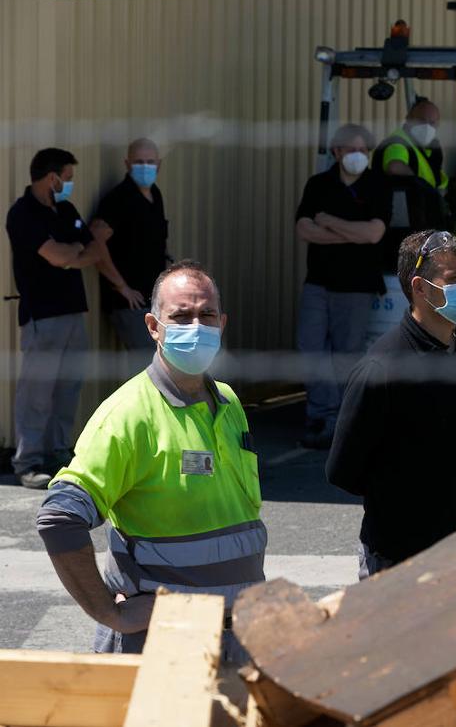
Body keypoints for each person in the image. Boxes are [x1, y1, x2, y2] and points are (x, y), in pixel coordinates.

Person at [35, 261, 265, 662]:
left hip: (237, 638)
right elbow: (59, 519)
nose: (196, 325)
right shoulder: (128, 414)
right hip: (164, 645)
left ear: (222, 323)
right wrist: (109, 612)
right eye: (180, 316)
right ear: (153, 327)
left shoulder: (228, 402)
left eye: (206, 314)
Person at [326, 230, 456, 578]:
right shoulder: (383, 368)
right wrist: (404, 494)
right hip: (397, 558)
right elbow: (342, 469)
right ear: (420, 287)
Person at [6, 148, 101, 489]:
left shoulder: (66, 209)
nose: (70, 185)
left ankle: (59, 452)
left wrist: (72, 254)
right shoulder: (22, 213)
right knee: (37, 390)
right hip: (42, 315)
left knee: (67, 387)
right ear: (52, 178)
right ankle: (28, 462)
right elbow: (58, 254)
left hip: (74, 311)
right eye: (68, 178)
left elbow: (94, 250)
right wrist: (72, 252)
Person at [294, 124, 392, 449]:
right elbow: (305, 228)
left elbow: (374, 234)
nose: (358, 156)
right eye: (351, 150)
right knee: (311, 347)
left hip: (357, 286)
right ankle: (319, 414)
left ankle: (342, 421)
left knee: (346, 354)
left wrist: (331, 223)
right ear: (336, 152)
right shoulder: (319, 184)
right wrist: (352, 234)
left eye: (364, 151)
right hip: (318, 282)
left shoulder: (378, 185)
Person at [91, 138, 170, 362]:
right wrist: (122, 286)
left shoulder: (155, 194)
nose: (145, 167)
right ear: (127, 164)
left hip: (153, 300)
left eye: (150, 162)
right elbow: (95, 242)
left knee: (164, 363)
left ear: (159, 164)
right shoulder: (119, 198)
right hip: (130, 305)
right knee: (150, 365)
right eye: (138, 162)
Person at [374, 98, 452, 264]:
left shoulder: (429, 147)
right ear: (409, 119)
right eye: (422, 121)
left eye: (433, 123)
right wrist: (419, 183)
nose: (427, 127)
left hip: (422, 226)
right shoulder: (398, 142)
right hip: (400, 231)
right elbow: (394, 166)